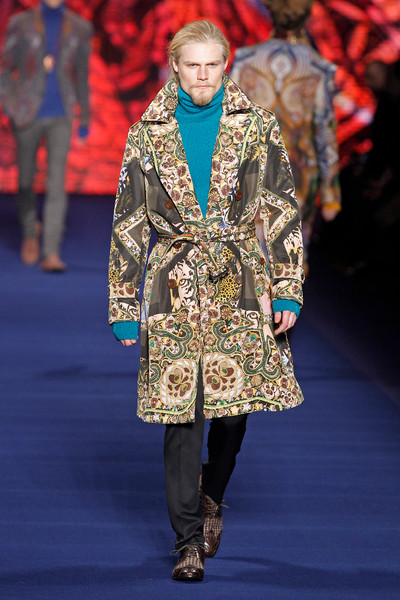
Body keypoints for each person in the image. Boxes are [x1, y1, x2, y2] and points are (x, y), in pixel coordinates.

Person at [108, 20, 304, 582]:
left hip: (239, 279)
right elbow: (129, 220)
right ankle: (187, 542)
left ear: (225, 65)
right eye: (191, 65)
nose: (202, 75)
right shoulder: (147, 132)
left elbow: (281, 207)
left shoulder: (256, 125)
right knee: (181, 414)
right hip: (172, 284)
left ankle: (212, 490)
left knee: (234, 411)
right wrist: (123, 304)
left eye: (211, 65)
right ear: (175, 66)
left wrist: (288, 287)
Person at [230, 0, 341, 274]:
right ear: (305, 17)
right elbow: (324, 131)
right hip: (297, 175)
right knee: (288, 261)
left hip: (249, 170)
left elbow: (228, 120)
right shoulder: (317, 67)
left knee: (245, 258)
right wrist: (330, 193)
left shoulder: (246, 59)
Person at [0, 0, 92, 271]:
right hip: (27, 113)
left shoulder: (79, 27)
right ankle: (30, 232)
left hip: (61, 113)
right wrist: (10, 105)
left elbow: (82, 75)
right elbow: (4, 68)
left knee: (57, 182)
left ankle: (51, 251)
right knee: (25, 180)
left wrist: (84, 119)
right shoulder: (21, 23)